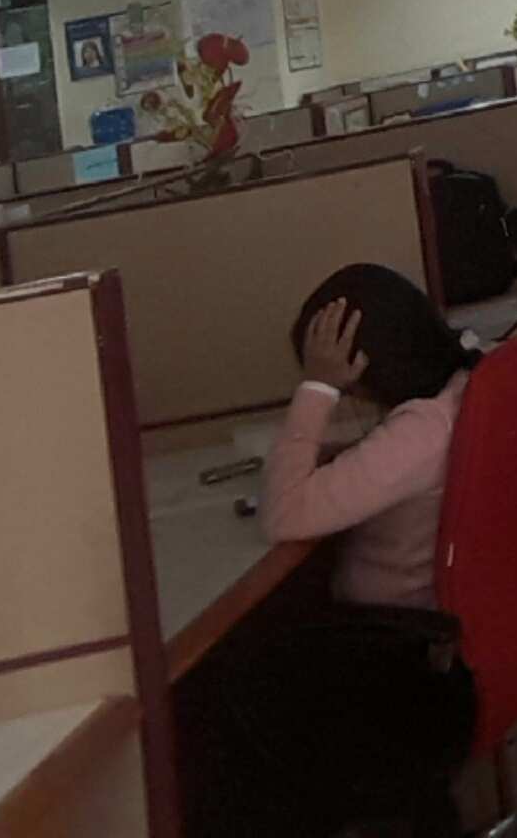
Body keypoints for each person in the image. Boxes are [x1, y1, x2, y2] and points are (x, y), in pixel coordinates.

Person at [181, 264, 480, 838]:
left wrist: (316, 389)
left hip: (391, 653)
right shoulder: (460, 390)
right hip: (431, 640)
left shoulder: (420, 433)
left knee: (213, 687)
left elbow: (284, 515)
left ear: (363, 364)